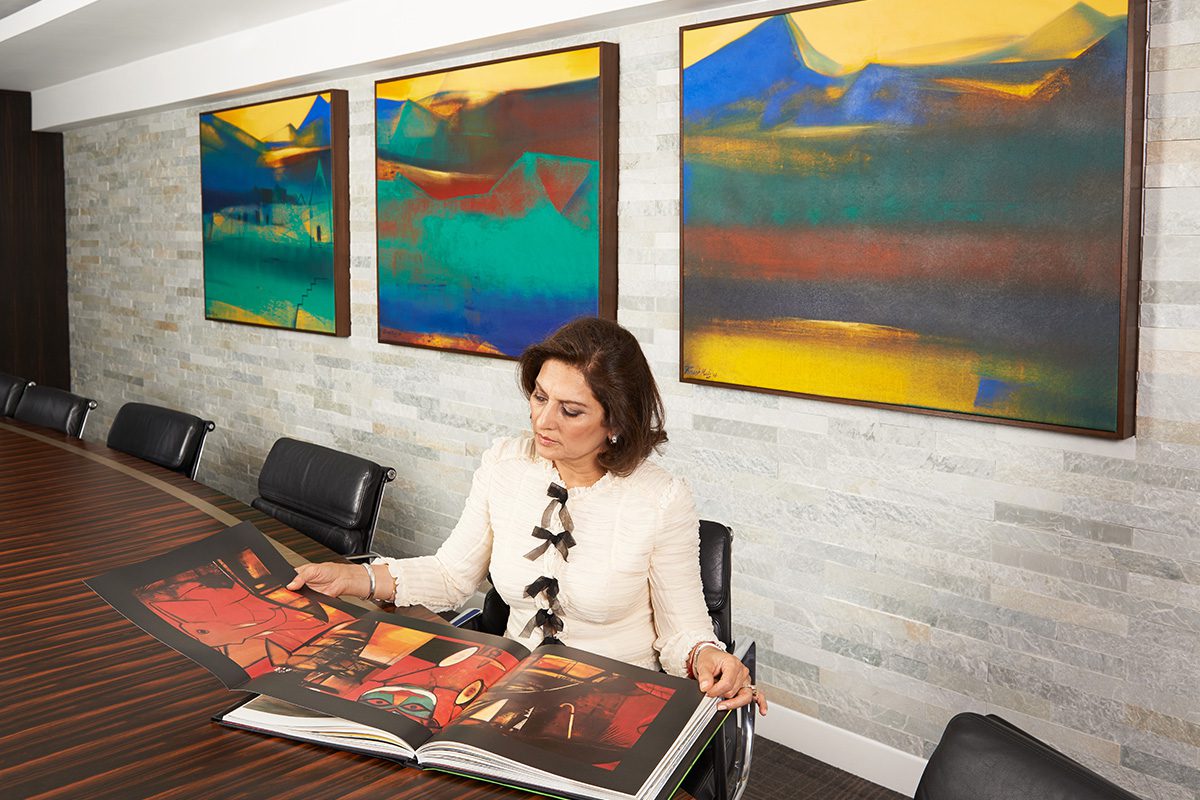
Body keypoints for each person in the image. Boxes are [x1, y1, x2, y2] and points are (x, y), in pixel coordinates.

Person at [289, 317, 767, 715]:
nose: (542, 421)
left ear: (616, 422)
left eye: (571, 410)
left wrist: (708, 656)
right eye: (539, 397)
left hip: (613, 701)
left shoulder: (661, 498)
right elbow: (451, 575)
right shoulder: (505, 464)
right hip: (508, 687)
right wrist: (351, 578)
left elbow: (683, 630)